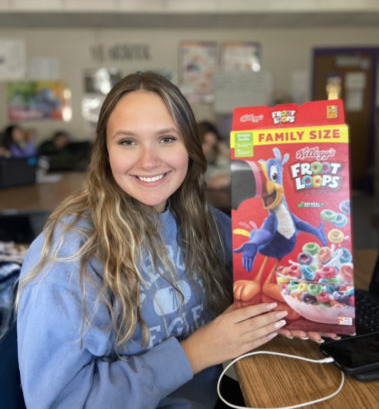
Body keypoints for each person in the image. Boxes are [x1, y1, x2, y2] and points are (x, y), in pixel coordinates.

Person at [16, 72, 336, 409]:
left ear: (190, 147)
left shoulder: (201, 219)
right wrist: (195, 353)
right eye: (127, 142)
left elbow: (266, 262)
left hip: (221, 394)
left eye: (166, 139)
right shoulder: (69, 256)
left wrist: (289, 312)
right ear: (106, 153)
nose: (148, 161)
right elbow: (61, 402)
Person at [197, 121, 231, 190]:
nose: (208, 148)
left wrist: (222, 149)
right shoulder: (188, 159)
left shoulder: (208, 158)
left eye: (211, 145)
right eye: (204, 142)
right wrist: (209, 183)